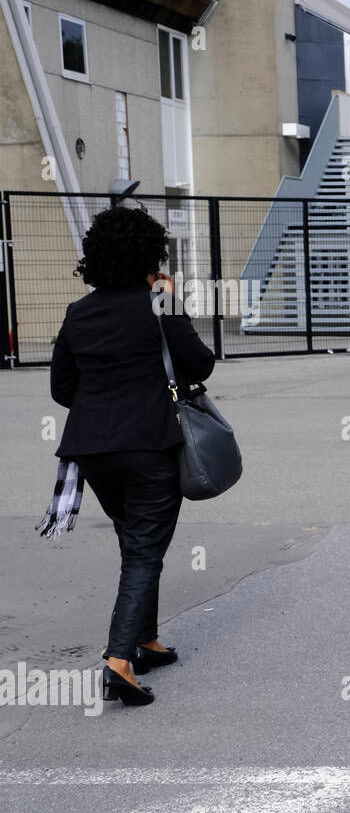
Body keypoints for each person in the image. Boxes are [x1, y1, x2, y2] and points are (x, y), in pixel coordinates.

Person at [48, 205, 216, 707]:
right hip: (150, 446)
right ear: (150, 256)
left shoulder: (79, 312)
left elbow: (62, 388)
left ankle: (146, 642)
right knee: (144, 548)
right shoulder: (157, 304)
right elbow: (201, 362)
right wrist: (172, 303)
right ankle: (119, 660)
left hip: (93, 450)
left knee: (136, 541)